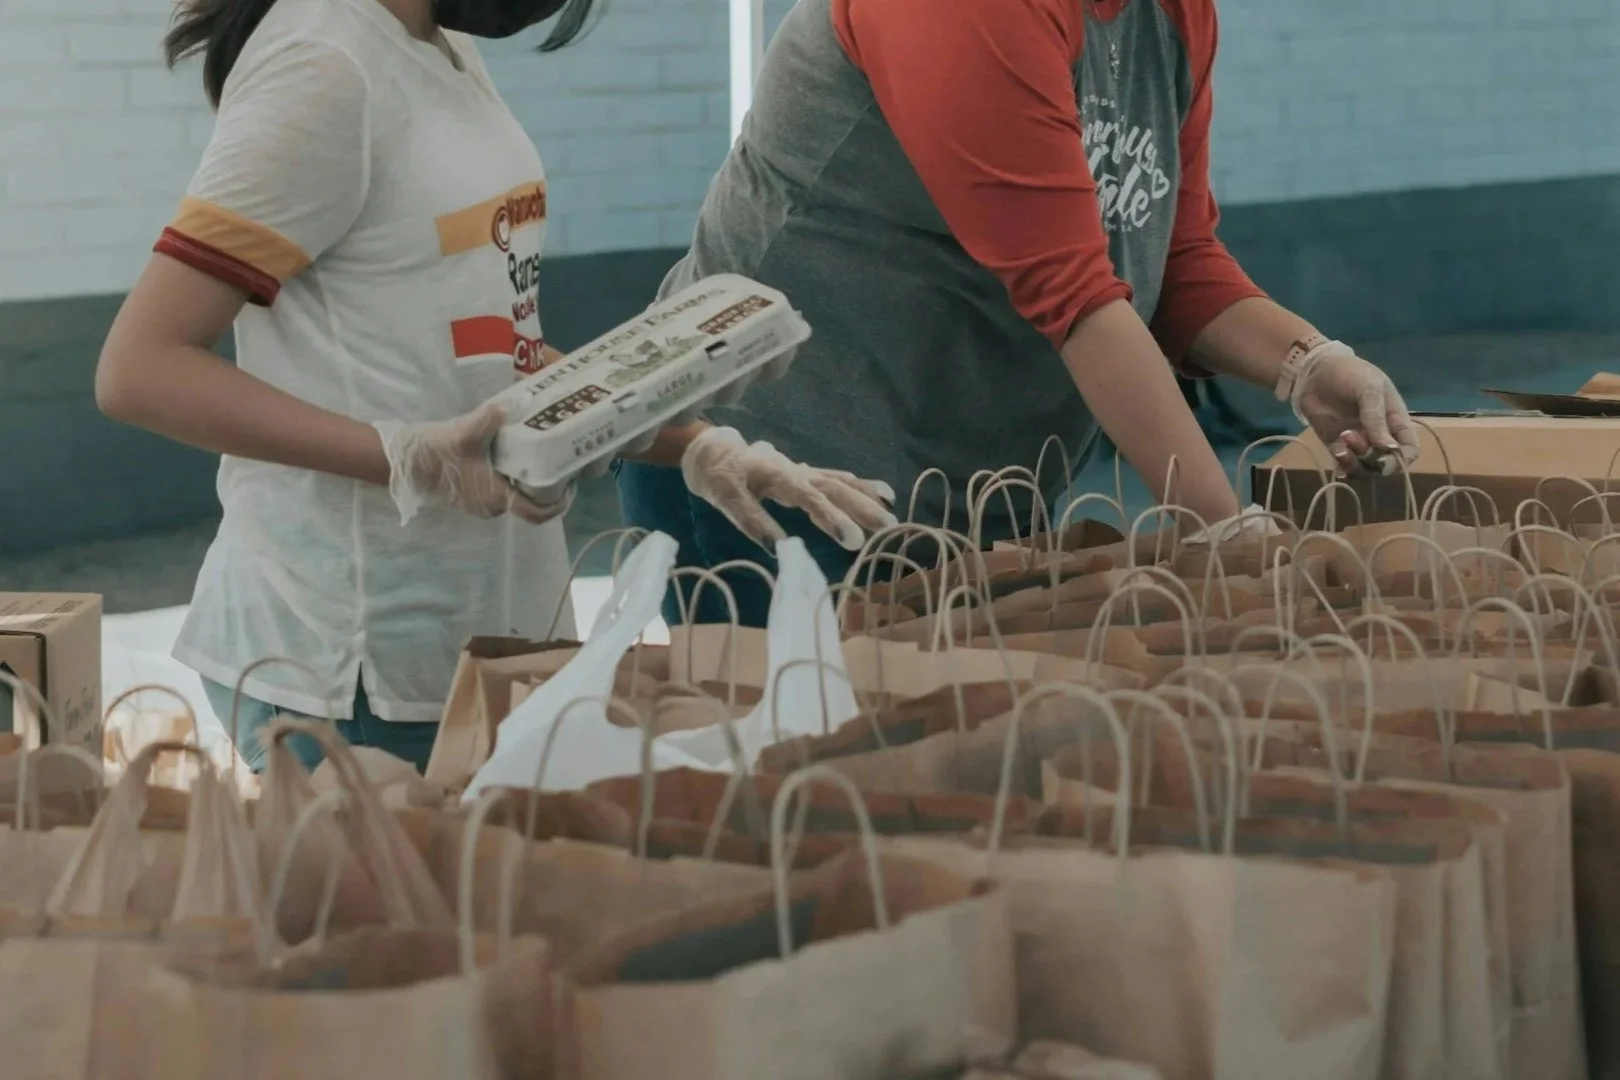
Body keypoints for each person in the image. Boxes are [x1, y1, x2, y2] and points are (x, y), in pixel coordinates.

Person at [95, 0, 892, 773]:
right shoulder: (322, 66)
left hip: (489, 631)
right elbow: (142, 369)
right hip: (352, 664)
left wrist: (694, 446)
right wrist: (404, 456)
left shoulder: (432, 41)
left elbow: (483, 345)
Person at [617, 0, 1421, 628]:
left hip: (956, 488)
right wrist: (1228, 531)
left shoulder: (1172, 16)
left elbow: (1168, 259)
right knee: (798, 794)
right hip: (782, 471)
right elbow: (1075, 298)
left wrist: (1307, 362)